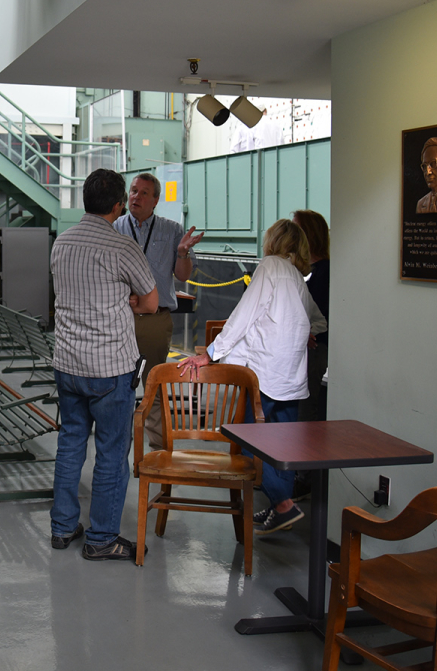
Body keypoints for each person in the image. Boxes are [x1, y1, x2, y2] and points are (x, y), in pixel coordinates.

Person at [177, 218, 326, 534]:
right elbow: (319, 321)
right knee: (283, 445)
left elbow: (243, 316)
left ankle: (283, 504)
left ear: (274, 242)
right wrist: (308, 333)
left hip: (262, 375)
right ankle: (279, 509)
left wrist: (211, 353)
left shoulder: (270, 266)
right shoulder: (298, 278)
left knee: (245, 437)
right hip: (290, 378)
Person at [50, 169, 158, 561]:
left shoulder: (61, 243)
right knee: (112, 452)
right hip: (110, 367)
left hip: (67, 362)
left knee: (70, 443)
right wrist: (124, 300)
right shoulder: (122, 247)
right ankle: (101, 539)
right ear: (117, 206)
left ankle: (62, 528)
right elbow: (149, 302)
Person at [113, 172, 203, 450]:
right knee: (117, 384)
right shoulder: (115, 227)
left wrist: (183, 253)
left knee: (154, 383)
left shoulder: (171, 230)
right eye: (133, 191)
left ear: (156, 200)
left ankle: (160, 448)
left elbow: (183, 275)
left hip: (154, 320)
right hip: (120, 318)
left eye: (143, 193)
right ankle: (117, 444)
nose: (135, 197)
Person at [293, 209, 330, 423]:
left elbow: (322, 315)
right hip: (303, 350)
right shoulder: (307, 271)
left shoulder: (324, 272)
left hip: (314, 350)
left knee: (305, 409)